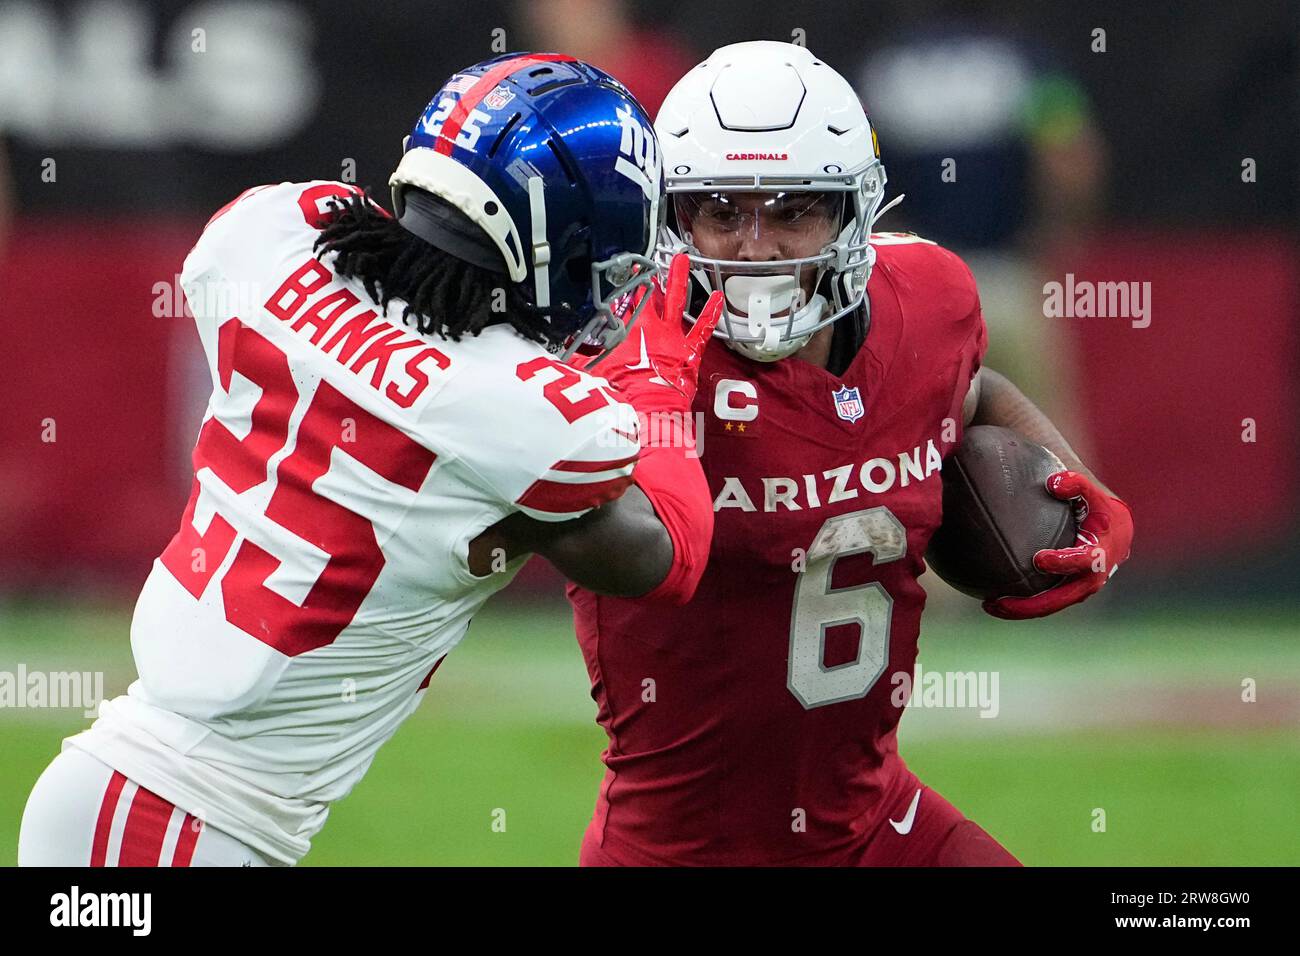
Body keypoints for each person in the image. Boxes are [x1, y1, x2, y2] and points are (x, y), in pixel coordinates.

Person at [18, 53, 722, 867]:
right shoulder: (530, 419)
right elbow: (669, 554)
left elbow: (375, 316)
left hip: (138, 800)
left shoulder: (266, 233)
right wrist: (654, 371)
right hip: (177, 825)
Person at [567, 41, 1135, 866]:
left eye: (792, 208)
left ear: (853, 211)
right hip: (682, 852)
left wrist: (1075, 480)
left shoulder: (930, 301)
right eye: (722, 211)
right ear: (671, 218)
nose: (756, 248)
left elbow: (968, 390)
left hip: (878, 824)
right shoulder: (623, 367)